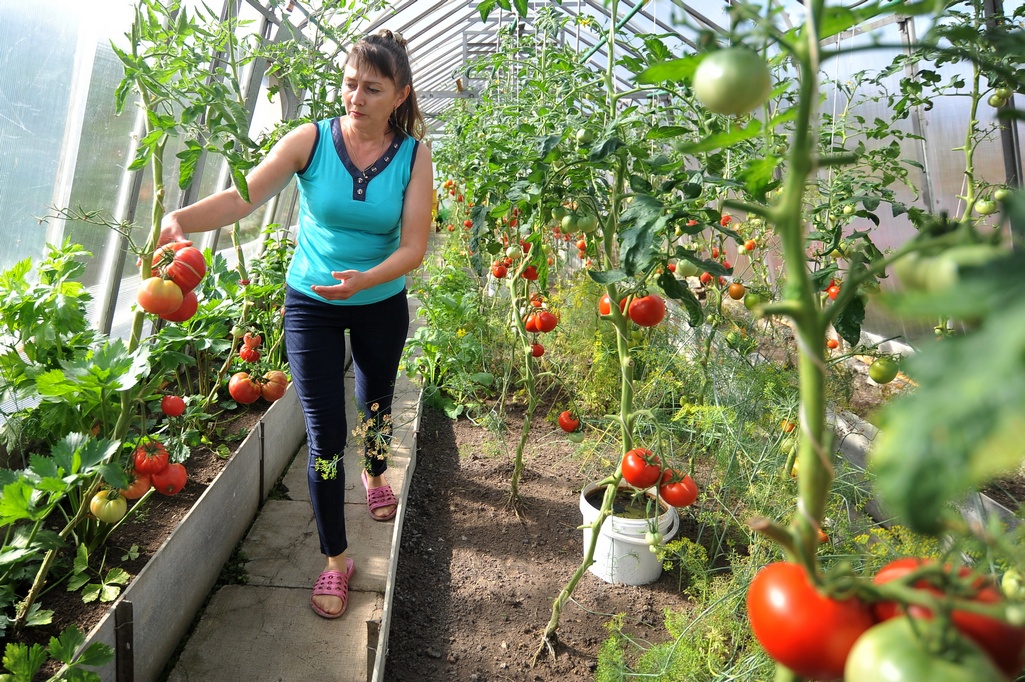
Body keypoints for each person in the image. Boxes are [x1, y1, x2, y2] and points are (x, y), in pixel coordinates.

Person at [158, 30, 433, 620]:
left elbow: (414, 246)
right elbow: (242, 198)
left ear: (399, 95)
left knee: (376, 401)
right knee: (325, 433)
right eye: (349, 83)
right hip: (311, 302)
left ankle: (377, 468)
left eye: (372, 88)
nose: (355, 97)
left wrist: (366, 279)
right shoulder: (310, 140)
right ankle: (336, 559)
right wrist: (181, 218)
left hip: (380, 298)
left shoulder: (412, 155)